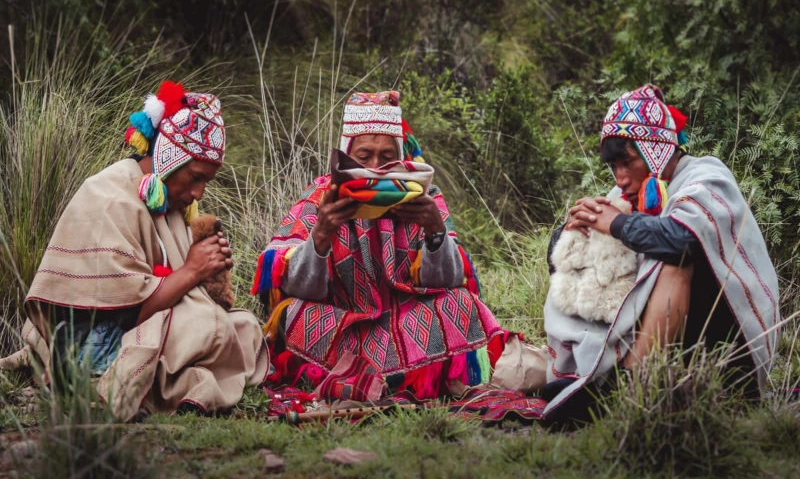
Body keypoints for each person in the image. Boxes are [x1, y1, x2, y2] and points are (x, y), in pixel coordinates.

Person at [1, 81, 270, 420]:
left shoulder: (165, 201)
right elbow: (127, 313)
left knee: (242, 325)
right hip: (89, 348)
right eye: (196, 177)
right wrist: (192, 272)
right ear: (170, 157)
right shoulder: (109, 198)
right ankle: (108, 387)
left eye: (207, 182)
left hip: (129, 333)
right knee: (209, 323)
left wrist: (209, 272)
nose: (200, 193)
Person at [252, 91, 520, 401]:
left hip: (408, 322)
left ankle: (376, 378)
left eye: (387, 157)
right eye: (364, 157)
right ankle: (389, 377)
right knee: (291, 315)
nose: (376, 167)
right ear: (345, 155)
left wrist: (434, 229)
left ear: (402, 157)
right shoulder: (319, 198)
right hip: (342, 323)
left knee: (461, 303)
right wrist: (321, 235)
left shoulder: (425, 196)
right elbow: (293, 287)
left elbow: (449, 280)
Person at [542, 84, 779, 419]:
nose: (620, 177)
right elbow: (575, 254)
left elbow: (683, 240)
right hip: (677, 348)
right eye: (613, 166)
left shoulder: (706, 178)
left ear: (655, 150)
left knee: (674, 260)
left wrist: (616, 225)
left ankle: (631, 387)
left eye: (627, 161)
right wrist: (570, 234)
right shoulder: (634, 190)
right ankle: (605, 376)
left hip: (729, 353)